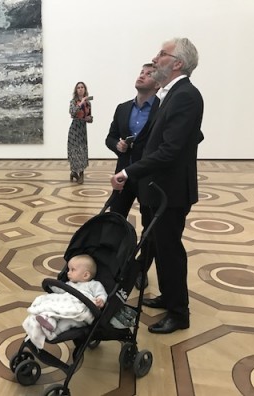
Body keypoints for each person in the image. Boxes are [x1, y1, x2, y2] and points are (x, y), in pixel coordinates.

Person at [111, 38, 204, 334]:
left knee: (170, 250)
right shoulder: (173, 95)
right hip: (159, 188)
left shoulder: (186, 95)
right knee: (160, 248)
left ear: (177, 63)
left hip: (171, 192)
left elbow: (170, 150)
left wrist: (129, 171)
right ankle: (168, 297)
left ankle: (179, 313)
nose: (155, 58)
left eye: (162, 54)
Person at [105, 64, 160, 290]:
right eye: (141, 72)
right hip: (123, 176)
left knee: (150, 229)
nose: (142, 75)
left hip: (149, 178)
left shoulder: (162, 108)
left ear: (158, 84)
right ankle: (113, 264)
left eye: (149, 74)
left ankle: (140, 269)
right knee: (114, 221)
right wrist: (117, 146)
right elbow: (110, 137)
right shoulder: (122, 108)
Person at [22, 255, 107, 349]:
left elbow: (101, 294)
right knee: (52, 306)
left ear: (85, 275)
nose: (68, 273)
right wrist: (53, 286)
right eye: (68, 269)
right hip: (66, 304)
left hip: (80, 311)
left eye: (72, 270)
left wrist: (101, 300)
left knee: (67, 322)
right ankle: (47, 320)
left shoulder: (93, 284)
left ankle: (53, 332)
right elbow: (61, 292)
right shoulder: (70, 284)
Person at [67, 82, 93, 184]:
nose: (80, 89)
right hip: (74, 129)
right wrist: (81, 102)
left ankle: (81, 174)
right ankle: (74, 172)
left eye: (82, 87)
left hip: (83, 129)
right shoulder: (73, 101)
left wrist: (89, 118)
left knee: (82, 151)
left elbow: (90, 118)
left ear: (85, 89)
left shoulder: (88, 103)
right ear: (76, 90)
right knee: (74, 151)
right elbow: (72, 112)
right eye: (78, 88)